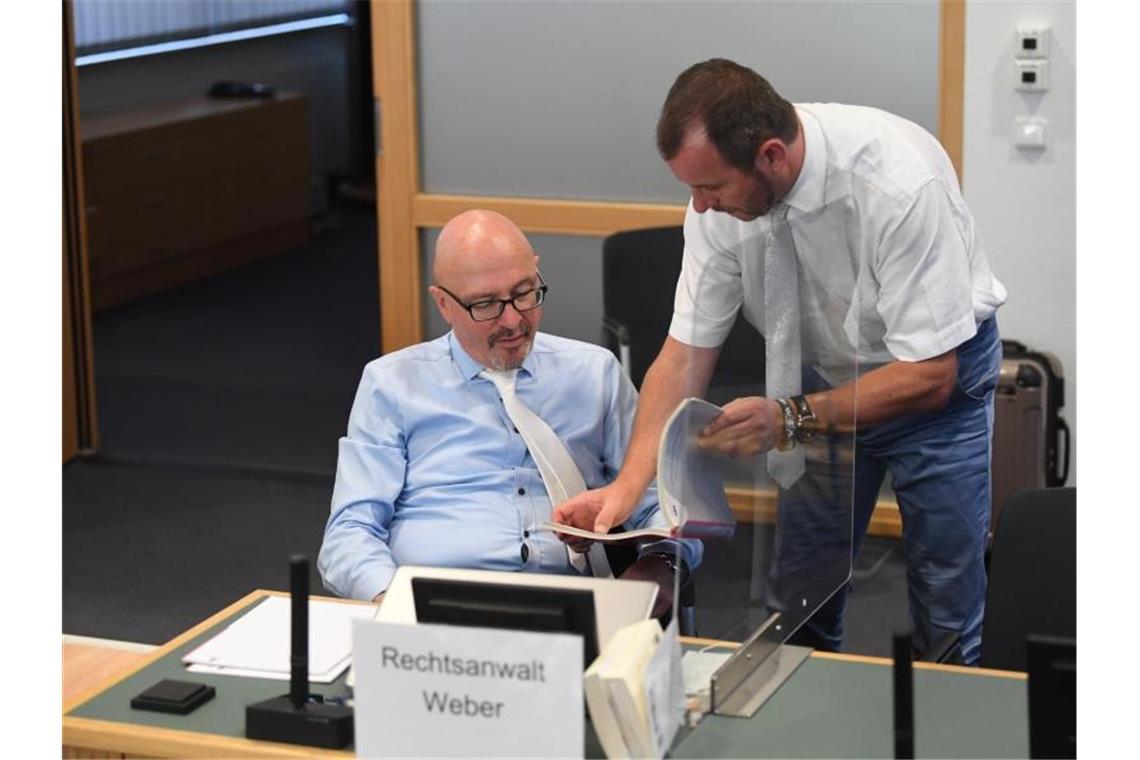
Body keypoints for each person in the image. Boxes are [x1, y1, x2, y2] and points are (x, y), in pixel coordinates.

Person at [554, 58, 1005, 664]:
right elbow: (683, 353)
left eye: (710, 187)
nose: (701, 206)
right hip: (822, 382)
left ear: (771, 155)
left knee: (947, 602)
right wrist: (629, 486)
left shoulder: (897, 184)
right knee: (802, 598)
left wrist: (790, 417)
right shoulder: (717, 209)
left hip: (936, 392)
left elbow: (930, 375)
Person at [318, 209, 700, 614]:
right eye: (485, 305)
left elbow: (664, 503)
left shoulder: (595, 373)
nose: (514, 320)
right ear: (444, 304)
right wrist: (393, 605)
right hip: (433, 606)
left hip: (569, 608)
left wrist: (661, 562)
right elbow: (350, 531)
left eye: (524, 292)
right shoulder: (392, 384)